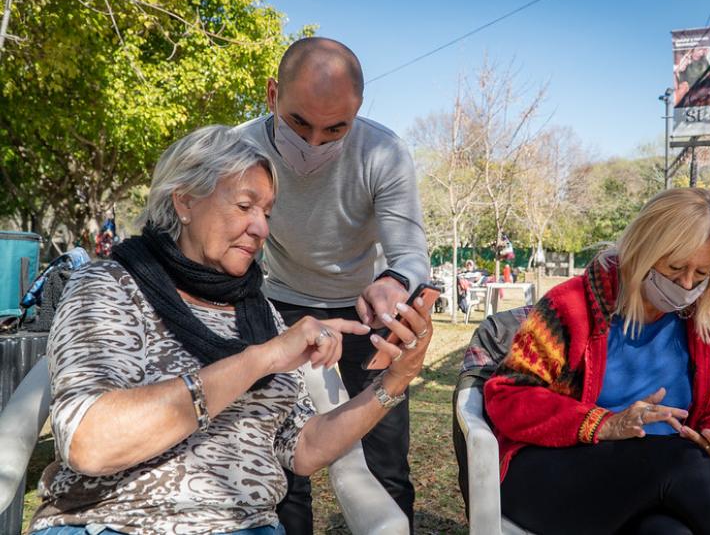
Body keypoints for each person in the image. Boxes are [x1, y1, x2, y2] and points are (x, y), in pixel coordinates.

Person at [28, 125, 433, 535]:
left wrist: (396, 379)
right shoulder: (110, 286)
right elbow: (90, 444)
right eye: (244, 206)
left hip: (248, 525)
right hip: (112, 523)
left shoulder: (258, 312)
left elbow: (304, 448)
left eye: (267, 213)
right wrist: (260, 359)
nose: (262, 229)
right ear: (185, 201)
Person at [483, 188, 710, 535]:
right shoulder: (571, 305)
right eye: (675, 267)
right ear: (642, 249)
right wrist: (605, 424)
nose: (686, 284)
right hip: (552, 479)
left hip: (656, 490)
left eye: (701, 273)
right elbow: (508, 395)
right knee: (683, 460)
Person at [234, 37, 429, 532]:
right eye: (299, 123)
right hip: (278, 304)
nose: (314, 144)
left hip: (366, 312)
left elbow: (410, 254)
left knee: (385, 458)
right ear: (272, 95)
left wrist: (393, 282)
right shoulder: (236, 149)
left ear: (357, 110)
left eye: (335, 128)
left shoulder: (383, 151)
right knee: (278, 459)